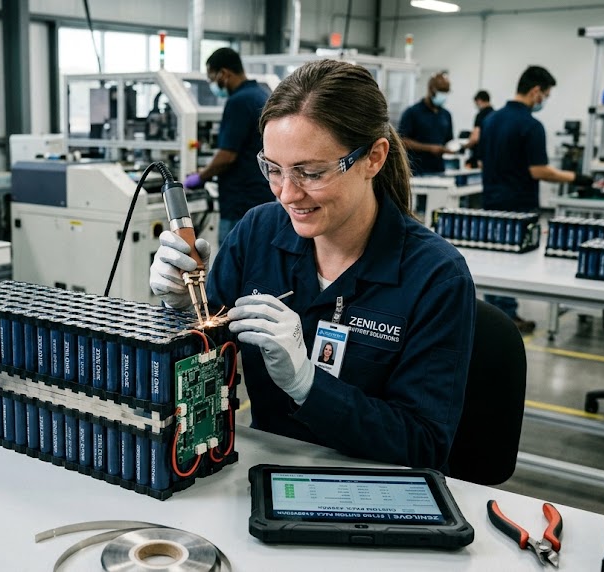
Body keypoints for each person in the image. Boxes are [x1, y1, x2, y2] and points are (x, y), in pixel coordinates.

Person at [151, 60, 476, 472]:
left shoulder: (435, 276)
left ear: (373, 158)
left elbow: (424, 446)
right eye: (274, 169)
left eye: (310, 172)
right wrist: (180, 307)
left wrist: (308, 385)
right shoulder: (258, 232)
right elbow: (202, 358)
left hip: (372, 493)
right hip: (262, 470)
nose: (288, 194)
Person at [479, 66, 592, 332]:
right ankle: (506, 319)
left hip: (491, 199)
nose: (545, 101)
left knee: (493, 259)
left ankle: (492, 317)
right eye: (546, 95)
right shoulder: (531, 125)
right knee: (510, 264)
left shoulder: (490, 120)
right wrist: (576, 178)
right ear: (535, 91)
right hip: (517, 204)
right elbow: (539, 170)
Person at [184, 48, 273, 245]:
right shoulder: (260, 94)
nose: (212, 84)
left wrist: (199, 178)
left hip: (239, 203)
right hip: (261, 195)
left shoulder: (238, 102)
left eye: (211, 78)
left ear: (223, 73)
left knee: (233, 265)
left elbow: (227, 156)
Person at [398, 71, 454, 175]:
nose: (443, 96)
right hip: (416, 171)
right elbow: (402, 141)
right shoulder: (412, 112)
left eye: (446, 92)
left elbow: (448, 140)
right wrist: (429, 148)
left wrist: (451, 148)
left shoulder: (446, 115)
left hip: (439, 170)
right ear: (431, 90)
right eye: (441, 91)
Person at [465, 90, 494, 168]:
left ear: (479, 100)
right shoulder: (495, 115)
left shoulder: (481, 115)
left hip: (480, 157)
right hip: (492, 156)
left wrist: (464, 146)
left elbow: (475, 138)